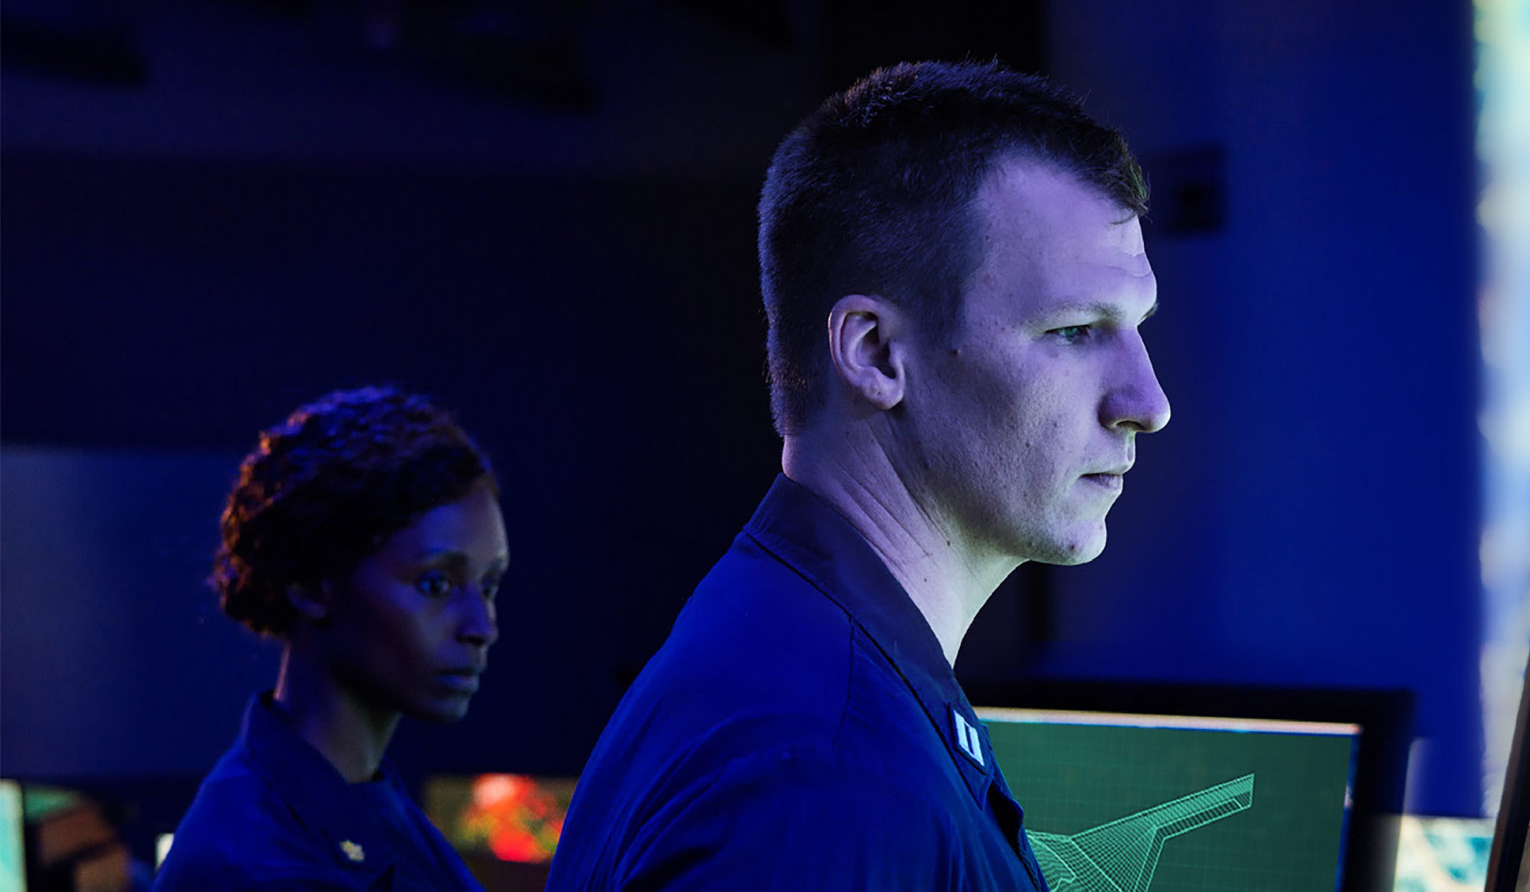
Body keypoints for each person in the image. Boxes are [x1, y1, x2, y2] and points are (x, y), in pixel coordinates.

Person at [547, 60, 1170, 890]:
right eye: (1072, 330)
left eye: (1134, 327)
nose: (1147, 401)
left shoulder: (792, 653)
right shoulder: (832, 775)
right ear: (876, 354)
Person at [155, 386, 508, 892]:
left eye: (489, 585)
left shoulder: (360, 796)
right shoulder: (265, 868)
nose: (481, 626)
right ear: (312, 583)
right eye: (436, 584)